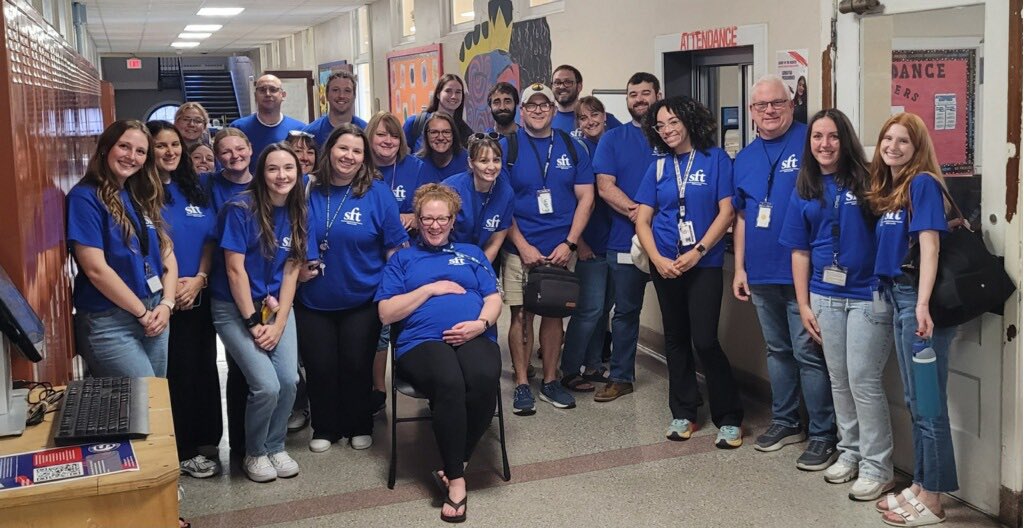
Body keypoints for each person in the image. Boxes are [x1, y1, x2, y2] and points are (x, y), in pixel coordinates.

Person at [778, 109, 895, 488]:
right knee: (839, 379)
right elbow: (799, 251)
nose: (824, 145)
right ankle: (850, 451)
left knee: (863, 379)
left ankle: (878, 467)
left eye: (832, 136)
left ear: (844, 140)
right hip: (824, 296)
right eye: (817, 137)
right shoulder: (806, 187)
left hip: (868, 295)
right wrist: (804, 304)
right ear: (809, 143)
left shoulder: (870, 180)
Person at [376, 183, 503, 524]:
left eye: (442, 219)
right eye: (427, 219)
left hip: (473, 333)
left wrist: (480, 323)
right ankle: (457, 481)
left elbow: (493, 297)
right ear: (416, 220)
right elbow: (386, 313)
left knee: (483, 376)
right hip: (421, 342)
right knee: (450, 381)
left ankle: (455, 459)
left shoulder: (472, 253)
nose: (434, 225)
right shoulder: (403, 259)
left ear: (452, 220)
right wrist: (430, 289)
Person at [732, 74, 837, 468]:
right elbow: (741, 215)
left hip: (803, 274)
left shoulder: (813, 141)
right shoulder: (744, 157)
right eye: (761, 106)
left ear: (792, 104)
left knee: (808, 354)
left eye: (777, 103)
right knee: (777, 351)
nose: (770, 111)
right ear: (752, 112)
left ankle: (823, 434)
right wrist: (739, 267)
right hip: (761, 273)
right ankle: (786, 420)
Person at [866, 112, 959, 527]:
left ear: (917, 148)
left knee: (929, 406)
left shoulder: (921, 183)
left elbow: (930, 247)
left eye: (903, 141)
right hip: (899, 297)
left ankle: (935, 501)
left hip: (918, 305)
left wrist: (921, 306)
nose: (893, 147)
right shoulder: (894, 189)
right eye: (888, 139)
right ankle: (921, 484)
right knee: (915, 402)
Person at [635, 96, 744, 448]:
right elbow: (643, 219)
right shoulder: (659, 166)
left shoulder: (716, 161)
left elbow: (726, 213)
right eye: (660, 125)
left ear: (689, 121)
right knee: (675, 339)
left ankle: (729, 418)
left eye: (673, 122)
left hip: (704, 263)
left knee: (705, 340)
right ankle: (683, 412)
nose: (667, 130)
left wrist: (697, 252)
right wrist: (657, 260)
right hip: (665, 264)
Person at [296, 124, 408, 453]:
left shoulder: (377, 192)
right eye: (343, 148)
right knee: (320, 365)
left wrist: (393, 291)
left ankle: (359, 423)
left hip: (363, 296)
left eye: (357, 151)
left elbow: (394, 248)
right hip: (313, 297)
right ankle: (326, 426)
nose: (349, 156)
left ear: (364, 158)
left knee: (357, 364)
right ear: (329, 150)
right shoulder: (306, 187)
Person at [212, 142, 309, 483]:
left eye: (289, 169)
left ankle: (275, 445)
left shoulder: (298, 209)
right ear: (260, 172)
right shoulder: (240, 209)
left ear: (299, 173)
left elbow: (293, 267)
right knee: (266, 385)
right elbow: (234, 270)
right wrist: (254, 323)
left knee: (289, 380)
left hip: (274, 306)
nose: (281, 176)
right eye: (273, 168)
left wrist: (280, 322)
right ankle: (254, 452)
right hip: (234, 308)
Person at [502, 83, 594, 414]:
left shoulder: (573, 146)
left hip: (560, 249)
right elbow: (501, 202)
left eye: (545, 105)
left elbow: (587, 197)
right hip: (519, 249)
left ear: (554, 111)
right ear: (521, 111)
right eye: (531, 105)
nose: (538, 110)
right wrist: (522, 245)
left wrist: (569, 243)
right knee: (520, 316)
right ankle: (523, 383)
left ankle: (551, 380)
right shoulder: (507, 147)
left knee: (554, 315)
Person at [68, 120, 177, 377]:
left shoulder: (135, 194)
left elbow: (166, 253)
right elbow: (95, 269)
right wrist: (141, 313)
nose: (132, 156)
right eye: (124, 147)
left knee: (155, 401)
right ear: (106, 148)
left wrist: (167, 304)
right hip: (111, 321)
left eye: (140, 151)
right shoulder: (84, 198)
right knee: (143, 402)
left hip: (155, 312)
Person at [147, 120, 222, 479]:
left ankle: (206, 439)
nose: (170, 151)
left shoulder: (193, 189)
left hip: (198, 293)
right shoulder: (140, 193)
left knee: (202, 367)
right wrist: (172, 290)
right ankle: (181, 448)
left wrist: (200, 279)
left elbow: (209, 239)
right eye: (160, 145)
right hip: (160, 300)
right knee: (174, 373)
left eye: (174, 145)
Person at [592, 72, 662, 402]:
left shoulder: (671, 135)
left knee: (679, 315)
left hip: (670, 242)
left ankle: (685, 382)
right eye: (633, 94)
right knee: (625, 313)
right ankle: (621, 376)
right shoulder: (613, 139)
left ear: (657, 95)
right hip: (624, 240)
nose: (639, 100)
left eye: (645, 93)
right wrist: (638, 213)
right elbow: (605, 187)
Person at [367, 111, 428, 410]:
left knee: (409, 319)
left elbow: (433, 204)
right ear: (370, 137)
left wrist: (414, 216)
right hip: (368, 258)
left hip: (409, 258)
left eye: (393, 135)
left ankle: (417, 375)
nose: (388, 140)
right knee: (379, 327)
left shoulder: (415, 166)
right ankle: (378, 389)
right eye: (381, 134)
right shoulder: (361, 168)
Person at [208, 127, 257, 454]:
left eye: (239, 148)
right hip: (227, 292)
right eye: (225, 151)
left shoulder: (268, 182)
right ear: (216, 157)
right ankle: (241, 443)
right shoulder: (208, 186)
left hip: (267, 292)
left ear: (250, 149)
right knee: (239, 367)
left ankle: (265, 440)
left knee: (274, 374)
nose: (234, 155)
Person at [560, 95, 614, 392]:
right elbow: (573, 201)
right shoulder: (578, 150)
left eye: (595, 115)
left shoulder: (614, 144)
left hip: (615, 240)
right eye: (583, 117)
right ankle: (569, 368)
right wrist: (578, 241)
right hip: (589, 242)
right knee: (590, 309)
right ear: (577, 123)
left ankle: (594, 363)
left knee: (605, 307)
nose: (590, 121)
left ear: (605, 116)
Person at [442, 133, 514, 261]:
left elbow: (495, 243)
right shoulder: (450, 189)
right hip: (445, 256)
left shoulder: (506, 193)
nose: (491, 167)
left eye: (496, 160)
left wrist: (479, 269)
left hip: (481, 259)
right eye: (483, 161)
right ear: (471, 162)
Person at [229, 74, 306, 172]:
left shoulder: (299, 129)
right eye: (262, 90)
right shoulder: (238, 128)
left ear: (283, 95)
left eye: (273, 89)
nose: (268, 94)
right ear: (255, 95)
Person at [404, 74, 474, 151]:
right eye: (448, 91)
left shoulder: (466, 132)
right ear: (438, 94)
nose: (453, 96)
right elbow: (402, 156)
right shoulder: (415, 123)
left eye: (458, 92)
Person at [301, 71, 368, 147]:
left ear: (354, 96)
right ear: (326, 95)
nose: (341, 95)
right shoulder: (310, 133)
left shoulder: (366, 131)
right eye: (335, 90)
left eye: (347, 91)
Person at [550, 65, 622, 134]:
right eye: (557, 82)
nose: (562, 86)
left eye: (568, 82)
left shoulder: (603, 119)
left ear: (579, 87)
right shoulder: (546, 121)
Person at [416, 112, 469, 184]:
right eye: (434, 132)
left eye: (446, 132)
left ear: (453, 134)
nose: (440, 137)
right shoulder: (415, 164)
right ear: (426, 135)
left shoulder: (468, 161)